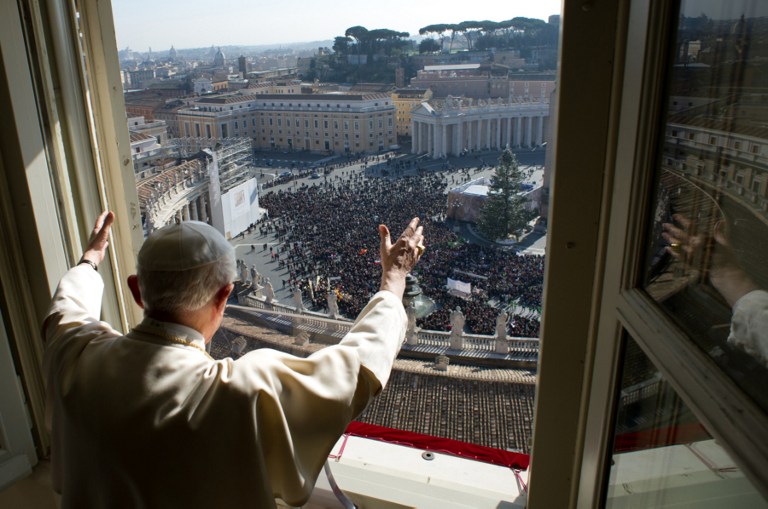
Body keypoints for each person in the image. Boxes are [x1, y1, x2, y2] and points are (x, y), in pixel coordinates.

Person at [43, 211, 425, 508]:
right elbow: (355, 368)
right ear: (224, 296)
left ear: (136, 291)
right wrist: (393, 280)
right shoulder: (241, 392)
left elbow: (67, 309)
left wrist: (90, 260)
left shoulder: (77, 354)